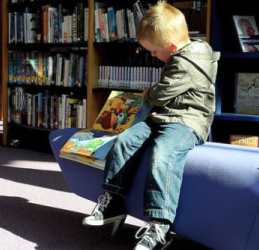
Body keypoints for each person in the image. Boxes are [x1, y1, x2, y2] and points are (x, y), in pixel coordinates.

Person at [82, 1, 220, 250]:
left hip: (188, 121)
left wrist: (147, 93)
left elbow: (162, 93)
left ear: (170, 46)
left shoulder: (192, 60)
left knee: (163, 154)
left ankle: (161, 225)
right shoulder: (179, 54)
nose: (154, 57)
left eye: (154, 52)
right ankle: (113, 202)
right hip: (162, 117)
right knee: (124, 141)